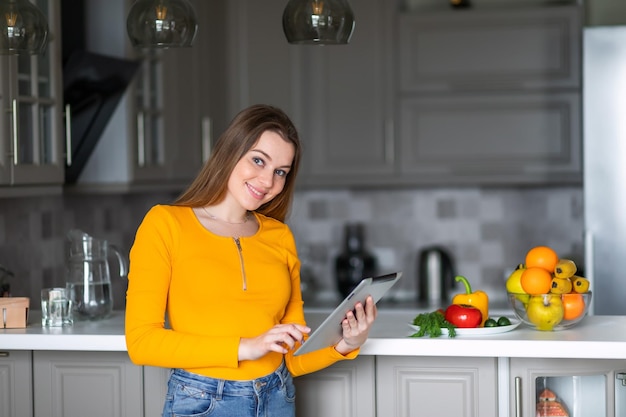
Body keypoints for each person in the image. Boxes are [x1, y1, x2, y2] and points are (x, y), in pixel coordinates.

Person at [125, 104, 378, 417]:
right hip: (205, 401)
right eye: (258, 160)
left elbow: (294, 357)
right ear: (230, 152)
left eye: (280, 172)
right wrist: (245, 346)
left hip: (277, 396)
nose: (267, 180)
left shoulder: (279, 236)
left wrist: (346, 343)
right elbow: (142, 342)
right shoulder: (165, 224)